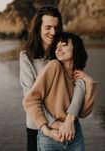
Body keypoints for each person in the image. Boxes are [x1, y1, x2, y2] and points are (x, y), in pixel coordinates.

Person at [20, 6, 90, 151]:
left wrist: (70, 118)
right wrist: (51, 125)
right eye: (48, 27)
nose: (53, 32)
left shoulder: (64, 51)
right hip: (38, 126)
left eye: (56, 28)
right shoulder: (26, 56)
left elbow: (79, 83)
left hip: (68, 126)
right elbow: (31, 97)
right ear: (38, 28)